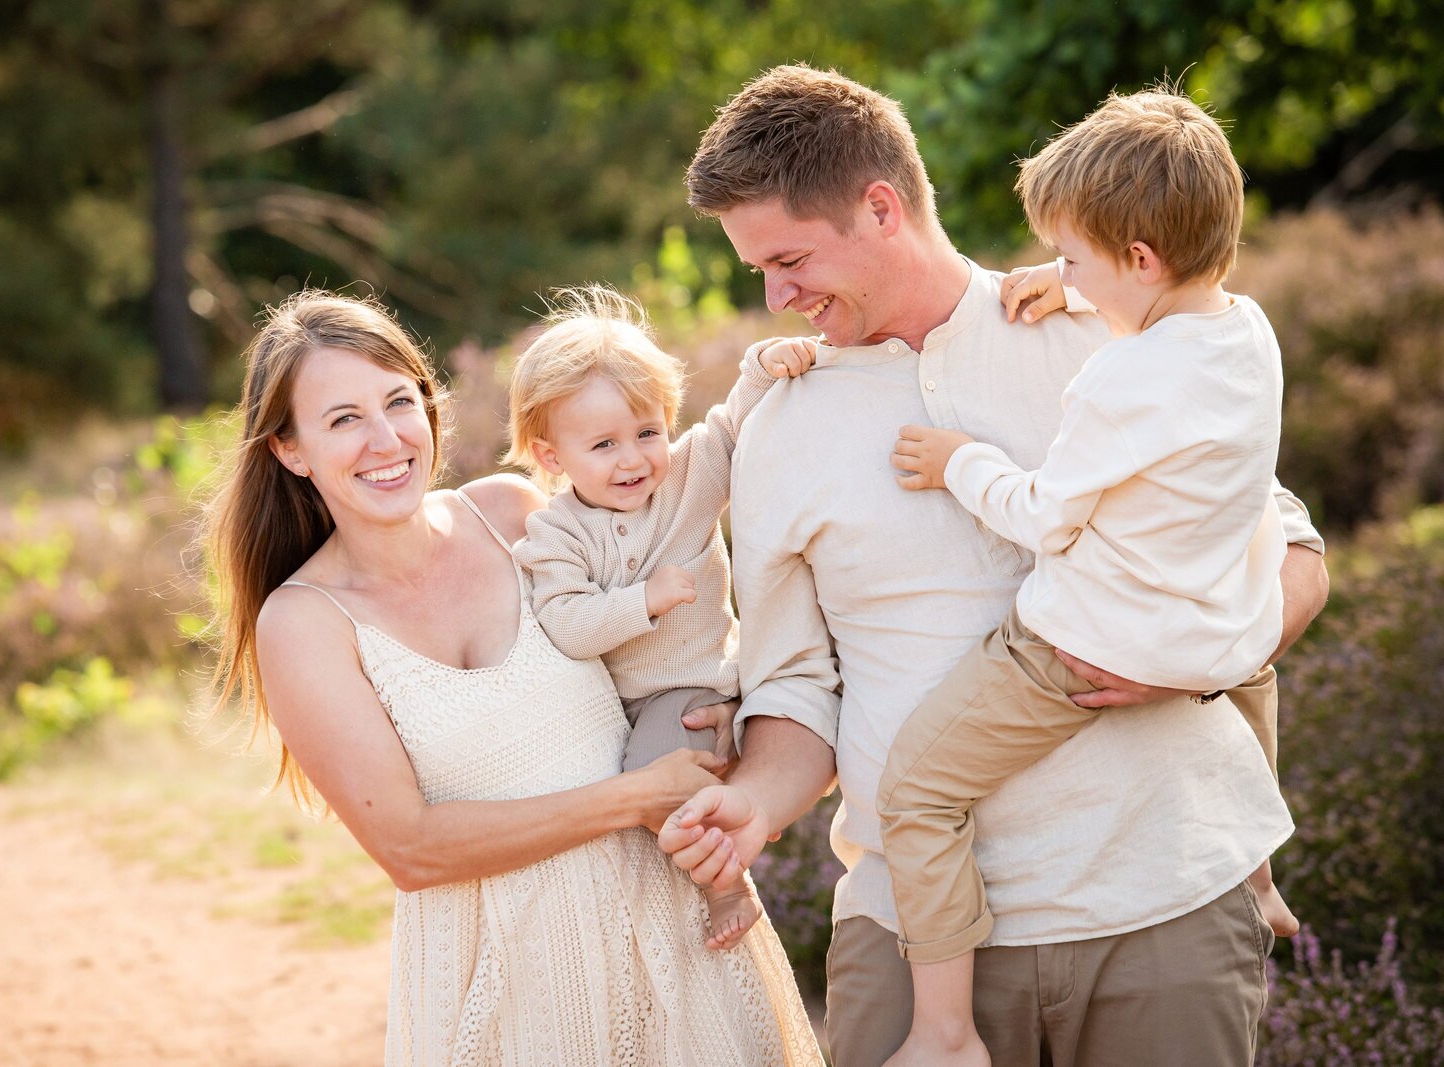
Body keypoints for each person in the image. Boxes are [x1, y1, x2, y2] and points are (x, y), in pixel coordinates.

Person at [656, 65, 1329, 1067]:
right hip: (908, 934)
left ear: (881, 207)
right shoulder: (778, 429)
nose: (775, 296)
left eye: (789, 259)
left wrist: (1199, 657)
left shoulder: (1105, 328)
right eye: (758, 268)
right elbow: (795, 684)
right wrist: (754, 801)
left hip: (1166, 902)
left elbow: (1289, 547)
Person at [203, 291, 823, 1066]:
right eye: (343, 418)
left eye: (399, 401)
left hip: (680, 936)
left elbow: (640, 635)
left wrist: (712, 697)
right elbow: (412, 849)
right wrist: (634, 795)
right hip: (507, 985)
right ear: (291, 449)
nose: (386, 438)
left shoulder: (511, 512)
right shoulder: (304, 623)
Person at [876, 88, 1300, 1067]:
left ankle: (943, 1032)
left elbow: (1042, 515)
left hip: (1089, 645)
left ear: (1139, 260)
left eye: (1071, 256)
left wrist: (959, 461)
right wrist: (1072, 288)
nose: (1059, 272)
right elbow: (1165, 325)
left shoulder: (1118, 378)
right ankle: (1257, 873)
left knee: (918, 790)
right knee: (1254, 671)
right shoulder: (1247, 331)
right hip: (1220, 637)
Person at [505, 284, 817, 950]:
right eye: (604, 444)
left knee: (658, 781)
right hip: (609, 704)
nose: (633, 458)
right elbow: (567, 624)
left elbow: (731, 427)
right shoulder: (556, 533)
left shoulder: (685, 479)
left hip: (688, 689)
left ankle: (726, 883)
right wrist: (641, 599)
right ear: (552, 457)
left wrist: (762, 365)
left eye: (648, 432)